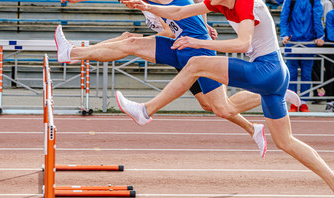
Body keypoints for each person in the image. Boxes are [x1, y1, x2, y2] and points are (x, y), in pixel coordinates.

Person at [116, 0, 334, 192]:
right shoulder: (220, 1)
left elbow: (243, 44)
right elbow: (180, 11)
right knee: (277, 137)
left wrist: (198, 42)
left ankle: (145, 111)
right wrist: (147, 6)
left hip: (268, 69)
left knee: (196, 64)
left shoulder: (247, 3)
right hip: (274, 77)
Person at [57, 0, 301, 157]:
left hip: (194, 49)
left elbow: (178, 15)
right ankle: (72, 53)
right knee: (130, 41)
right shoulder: (147, 4)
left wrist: (203, 33)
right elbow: (195, 9)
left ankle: (270, 98)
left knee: (220, 107)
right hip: (179, 48)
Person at [280, 0, 325, 112]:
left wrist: (320, 36)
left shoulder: (314, 0)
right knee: (292, 74)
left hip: (309, 41)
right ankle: (293, 103)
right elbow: (284, 17)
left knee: (306, 74)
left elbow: (317, 17)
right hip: (292, 41)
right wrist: (284, 35)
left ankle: (303, 103)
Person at [324, 9, 334, 112]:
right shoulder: (331, 14)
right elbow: (331, 35)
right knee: (330, 72)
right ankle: (330, 101)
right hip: (331, 47)